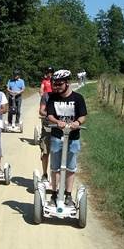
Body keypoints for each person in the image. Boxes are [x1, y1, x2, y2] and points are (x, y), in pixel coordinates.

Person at [45, 69, 88, 207]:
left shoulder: (78, 98)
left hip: (73, 137)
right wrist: (58, 122)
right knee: (55, 167)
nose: (56, 87)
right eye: (55, 84)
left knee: (70, 167)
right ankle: (54, 194)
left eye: (59, 84)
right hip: (57, 136)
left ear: (67, 83)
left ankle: (68, 195)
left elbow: (83, 116)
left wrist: (77, 123)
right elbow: (50, 115)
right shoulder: (53, 97)